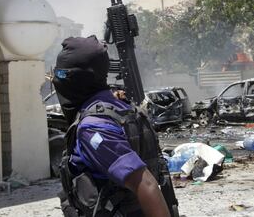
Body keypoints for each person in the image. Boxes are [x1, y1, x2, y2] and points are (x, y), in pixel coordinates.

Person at [53, 36, 171, 217]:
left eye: (60, 75)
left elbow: (146, 184)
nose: (55, 80)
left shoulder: (93, 127)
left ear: (79, 78)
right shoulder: (121, 107)